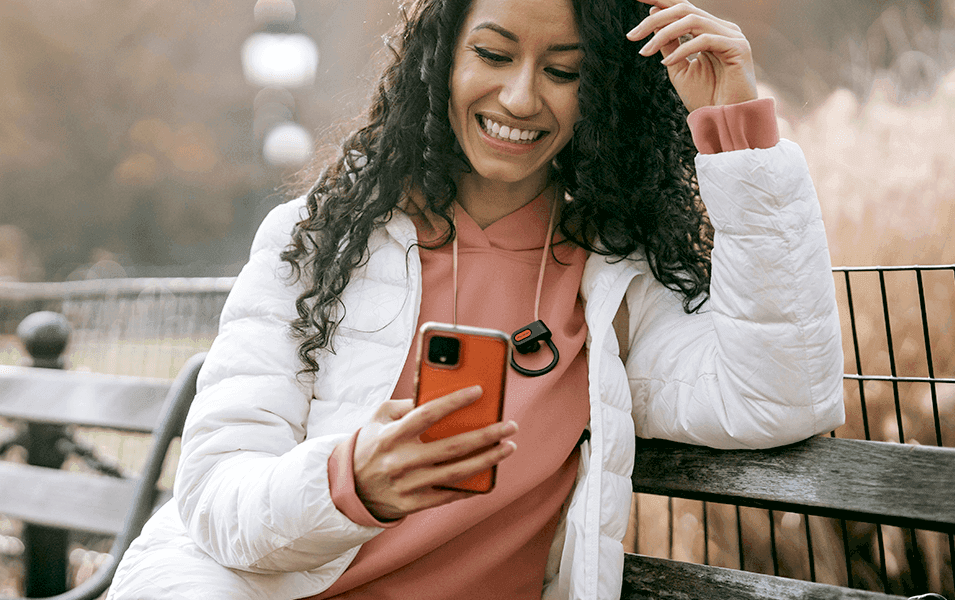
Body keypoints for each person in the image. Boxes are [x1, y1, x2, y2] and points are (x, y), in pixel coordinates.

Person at [108, 0, 845, 598]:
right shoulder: (316, 240)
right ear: (440, 63)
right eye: (492, 55)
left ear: (604, 93)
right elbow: (215, 496)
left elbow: (777, 399)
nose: (520, 97)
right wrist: (347, 481)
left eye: (563, 71)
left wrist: (737, 138)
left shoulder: (616, 277)